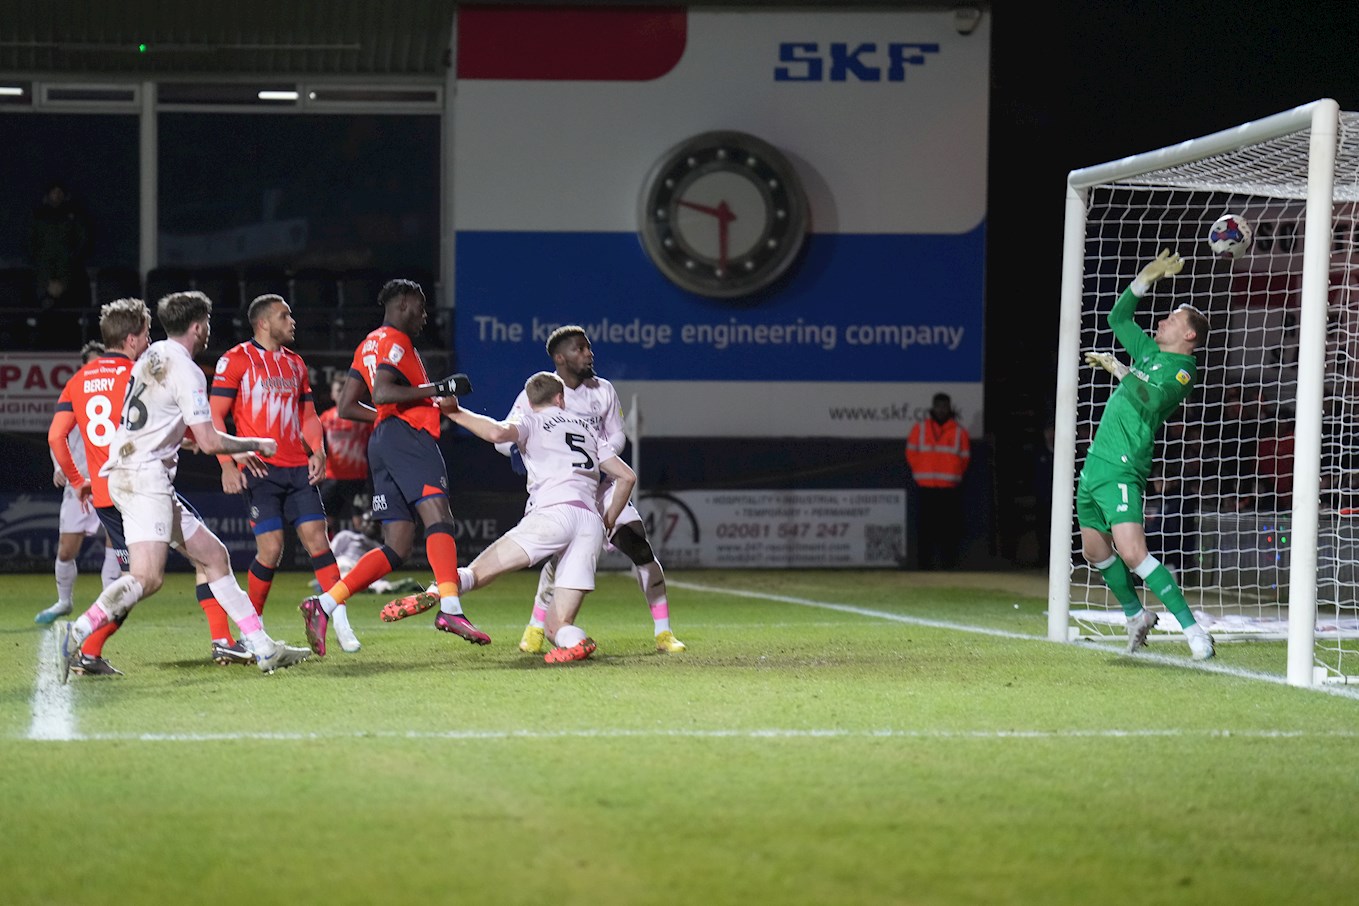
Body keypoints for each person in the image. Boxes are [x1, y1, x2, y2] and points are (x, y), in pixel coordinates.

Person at [52, 290, 312, 682]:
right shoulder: (186, 370)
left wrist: (180, 440)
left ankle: (262, 647)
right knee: (147, 577)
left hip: (128, 471)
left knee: (214, 556)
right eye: (206, 324)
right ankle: (78, 631)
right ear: (197, 326)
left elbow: (161, 421)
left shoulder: (151, 354)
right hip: (145, 479)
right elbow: (210, 441)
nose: (209, 331)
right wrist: (255, 444)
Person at [471, 325, 684, 655]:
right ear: (560, 358)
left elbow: (617, 436)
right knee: (558, 558)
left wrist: (597, 459)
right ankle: (536, 626)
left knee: (639, 547)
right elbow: (507, 434)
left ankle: (664, 632)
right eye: (580, 349)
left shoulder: (603, 390)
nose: (589, 353)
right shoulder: (540, 392)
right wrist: (518, 453)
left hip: (602, 483)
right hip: (563, 489)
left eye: (588, 348)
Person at [299, 278, 484, 655]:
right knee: (439, 517)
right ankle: (450, 608)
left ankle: (324, 604)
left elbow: (351, 406)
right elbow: (383, 392)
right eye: (420, 305)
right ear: (402, 303)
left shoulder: (367, 343)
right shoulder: (398, 341)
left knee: (397, 546)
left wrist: (386, 421)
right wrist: (439, 388)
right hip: (408, 438)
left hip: (383, 442)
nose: (425, 314)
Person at [416, 371, 636, 664]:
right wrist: (606, 522)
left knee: (478, 572)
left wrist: (455, 413)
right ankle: (578, 641)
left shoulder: (531, 419)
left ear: (530, 403)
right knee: (557, 626)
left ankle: (434, 591)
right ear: (560, 398)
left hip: (553, 514)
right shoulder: (589, 430)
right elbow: (627, 477)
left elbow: (496, 433)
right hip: (589, 523)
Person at [1079, 249, 1215, 661]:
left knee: (1133, 552)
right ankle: (1136, 615)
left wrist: (1123, 371)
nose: (1162, 321)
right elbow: (1117, 319)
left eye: (1172, 319)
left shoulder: (1182, 372)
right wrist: (1143, 280)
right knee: (1094, 551)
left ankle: (1195, 633)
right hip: (1097, 463)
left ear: (1189, 335)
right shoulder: (1151, 355)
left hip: (1123, 464)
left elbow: (1153, 400)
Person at [210, 294, 348, 647]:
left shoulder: (296, 364)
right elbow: (214, 416)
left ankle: (341, 624)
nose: (292, 322)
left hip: (298, 469)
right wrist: (228, 462)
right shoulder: (236, 360)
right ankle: (250, 627)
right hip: (259, 469)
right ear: (263, 323)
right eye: (285, 316)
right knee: (270, 550)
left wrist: (317, 450)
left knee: (319, 539)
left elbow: (307, 414)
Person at [34, 342, 122, 634]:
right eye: (93, 365)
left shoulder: (118, 396)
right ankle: (63, 601)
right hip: (78, 484)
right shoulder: (75, 396)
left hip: (111, 481)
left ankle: (108, 605)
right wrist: (61, 470)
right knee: (66, 550)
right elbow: (57, 437)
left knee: (114, 542)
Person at [905, 392, 972, 570]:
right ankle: (924, 566)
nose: (941, 410)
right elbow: (911, 453)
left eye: (945, 407)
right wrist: (920, 471)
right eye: (938, 406)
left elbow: (965, 459)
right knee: (925, 530)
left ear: (949, 408)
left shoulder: (959, 432)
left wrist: (953, 473)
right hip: (925, 487)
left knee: (948, 531)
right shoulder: (920, 429)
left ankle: (948, 566)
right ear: (933, 407)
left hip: (949, 488)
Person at [318, 375, 373, 537]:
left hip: (357, 480)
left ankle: (364, 558)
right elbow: (313, 442)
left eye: (345, 390)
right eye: (338, 390)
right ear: (332, 395)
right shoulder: (326, 418)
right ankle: (329, 559)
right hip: (332, 478)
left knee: (363, 523)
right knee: (324, 523)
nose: (342, 394)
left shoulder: (362, 415)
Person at [29, 181, 90, 308]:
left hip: (70, 276)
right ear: (47, 195)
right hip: (43, 278)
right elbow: (31, 247)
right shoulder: (38, 217)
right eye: (54, 192)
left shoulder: (74, 218)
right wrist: (47, 283)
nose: (56, 196)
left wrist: (63, 283)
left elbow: (82, 244)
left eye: (59, 193)